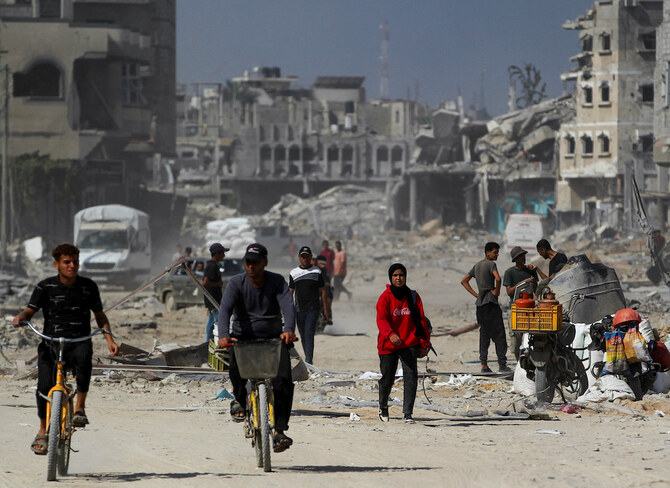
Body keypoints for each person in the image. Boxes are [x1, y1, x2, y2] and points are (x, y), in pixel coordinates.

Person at [12, 243, 119, 455]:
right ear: (56, 265)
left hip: (78, 340)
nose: (72, 266)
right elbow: (29, 311)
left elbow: (99, 316)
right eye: (67, 262)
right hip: (51, 342)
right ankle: (43, 430)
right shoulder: (45, 287)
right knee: (43, 386)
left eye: (75, 262)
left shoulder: (88, 287)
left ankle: (80, 408)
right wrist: (20, 318)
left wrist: (109, 339)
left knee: (84, 357)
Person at [217, 243, 297, 453]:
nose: (251, 266)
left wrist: (288, 329)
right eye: (248, 262)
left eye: (255, 262)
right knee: (235, 369)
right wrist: (224, 334)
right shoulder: (236, 283)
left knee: (284, 379)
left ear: (265, 262)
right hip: (242, 339)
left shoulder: (277, 281)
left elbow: (288, 307)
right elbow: (225, 310)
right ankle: (239, 401)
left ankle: (279, 430)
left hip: (272, 339)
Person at [376, 263, 431, 424]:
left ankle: (408, 413)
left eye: (401, 275)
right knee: (387, 378)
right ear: (390, 278)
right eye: (395, 275)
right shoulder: (385, 297)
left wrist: (424, 343)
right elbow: (381, 320)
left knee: (411, 377)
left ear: (405, 277)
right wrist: (390, 334)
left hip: (409, 343)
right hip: (388, 345)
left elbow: (420, 321)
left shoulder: (413, 296)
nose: (398, 278)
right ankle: (383, 407)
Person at [460, 242, 510, 373]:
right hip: (491, 303)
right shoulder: (491, 264)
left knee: (484, 334)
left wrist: (476, 295)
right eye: (495, 252)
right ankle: (502, 364)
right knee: (499, 334)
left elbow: (464, 281)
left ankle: (484, 365)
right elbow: (498, 279)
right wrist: (496, 292)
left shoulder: (477, 265)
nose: (497, 254)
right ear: (487, 253)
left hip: (480, 305)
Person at [288, 246, 329, 364]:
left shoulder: (317, 271)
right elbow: (290, 291)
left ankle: (308, 361)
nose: (305, 259)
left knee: (309, 333)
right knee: (302, 334)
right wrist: (287, 309)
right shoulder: (294, 273)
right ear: (299, 257)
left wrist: (325, 310)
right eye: (303, 256)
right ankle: (307, 358)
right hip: (299, 309)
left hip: (313, 308)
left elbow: (323, 291)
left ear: (311, 257)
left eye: (307, 256)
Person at [203, 243, 229, 343]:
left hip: (215, 300)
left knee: (212, 323)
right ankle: (209, 342)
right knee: (216, 323)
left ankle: (208, 342)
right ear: (217, 253)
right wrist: (218, 283)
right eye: (222, 253)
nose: (224, 255)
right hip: (213, 300)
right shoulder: (211, 266)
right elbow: (205, 282)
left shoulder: (214, 266)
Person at [315, 254, 333, 323]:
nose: (323, 265)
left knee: (328, 297)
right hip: (315, 289)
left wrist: (329, 285)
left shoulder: (326, 271)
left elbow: (328, 280)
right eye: (321, 263)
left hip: (324, 289)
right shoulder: (314, 269)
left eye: (324, 264)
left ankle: (328, 314)